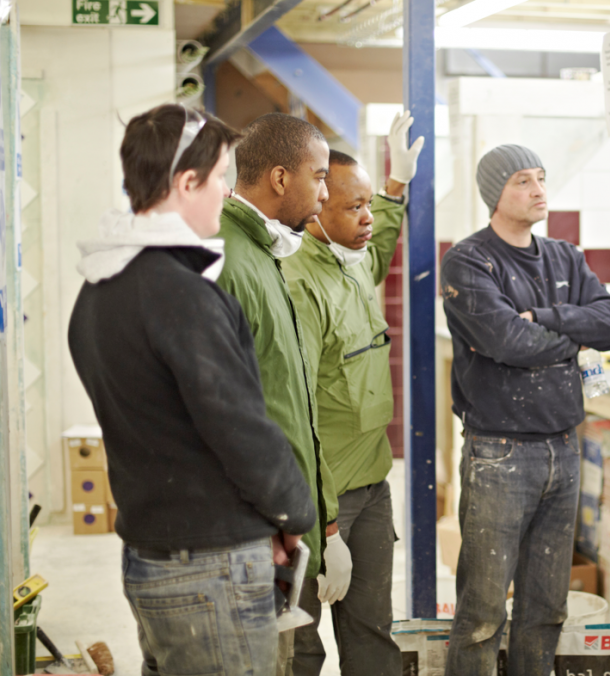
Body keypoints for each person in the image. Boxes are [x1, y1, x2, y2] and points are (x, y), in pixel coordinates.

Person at [68, 104, 317, 676]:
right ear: (186, 183)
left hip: (152, 553)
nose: (227, 193)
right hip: (210, 570)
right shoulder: (180, 294)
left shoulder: (98, 291)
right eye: (221, 178)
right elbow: (239, 427)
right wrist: (293, 511)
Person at [440, 144, 610, 676]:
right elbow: (509, 342)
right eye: (523, 180)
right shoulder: (470, 260)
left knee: (545, 609)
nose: (539, 190)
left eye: (542, 178)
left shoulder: (565, 257)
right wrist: (573, 337)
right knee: (481, 612)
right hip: (500, 453)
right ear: (495, 195)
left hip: (564, 448)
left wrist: (545, 315)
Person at [281, 111, 423, 675]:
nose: (367, 219)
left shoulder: (353, 263)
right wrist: (328, 528)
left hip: (372, 483)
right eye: (352, 207)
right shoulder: (299, 283)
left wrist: (394, 187)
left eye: (368, 205)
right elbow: (297, 414)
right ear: (316, 210)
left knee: (372, 635)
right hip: (322, 498)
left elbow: (377, 241)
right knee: (302, 647)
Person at [216, 113, 345, 676]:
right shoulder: (231, 261)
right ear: (278, 178)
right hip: (253, 530)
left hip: (281, 521)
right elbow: (228, 409)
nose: (324, 193)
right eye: (319, 178)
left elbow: (286, 399)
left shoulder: (263, 255)